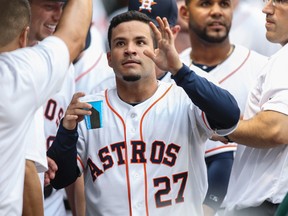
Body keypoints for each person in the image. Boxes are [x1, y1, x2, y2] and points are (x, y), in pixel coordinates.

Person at [47, 11, 240, 215]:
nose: (130, 50)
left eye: (140, 42)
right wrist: (66, 132)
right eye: (120, 43)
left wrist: (179, 70)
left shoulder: (184, 98)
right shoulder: (92, 109)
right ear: (110, 58)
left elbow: (229, 116)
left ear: (156, 52)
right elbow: (60, 179)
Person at [0, 0, 92, 215]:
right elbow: (26, 170)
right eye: (49, 6)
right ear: (24, 35)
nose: (57, 15)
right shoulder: (16, 77)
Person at [177, 0, 268, 215]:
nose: (217, 11)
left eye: (224, 4)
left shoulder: (262, 68)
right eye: (206, 4)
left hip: (250, 205)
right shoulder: (170, 72)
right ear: (184, 13)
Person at [214, 0, 288, 215]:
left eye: (281, 0)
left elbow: (276, 128)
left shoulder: (285, 59)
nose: (266, 9)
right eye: (267, 0)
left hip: (268, 204)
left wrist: (226, 129)